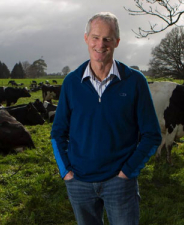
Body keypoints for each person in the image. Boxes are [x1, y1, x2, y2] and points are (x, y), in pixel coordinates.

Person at [51, 12, 162, 225]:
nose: (100, 44)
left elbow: (152, 135)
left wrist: (128, 172)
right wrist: (66, 172)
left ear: (117, 42)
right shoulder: (72, 82)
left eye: (107, 39)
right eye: (95, 37)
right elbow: (58, 133)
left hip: (119, 182)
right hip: (79, 182)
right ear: (86, 39)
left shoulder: (135, 81)